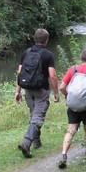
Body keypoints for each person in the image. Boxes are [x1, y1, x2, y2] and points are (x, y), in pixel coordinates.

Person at [16, 28, 59, 159]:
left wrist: (17, 91)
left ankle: (36, 142)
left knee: (34, 115)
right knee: (38, 117)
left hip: (27, 89)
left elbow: (20, 73)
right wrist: (56, 92)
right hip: (41, 90)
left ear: (35, 39)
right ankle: (26, 142)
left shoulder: (26, 52)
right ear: (46, 41)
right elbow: (52, 75)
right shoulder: (48, 55)